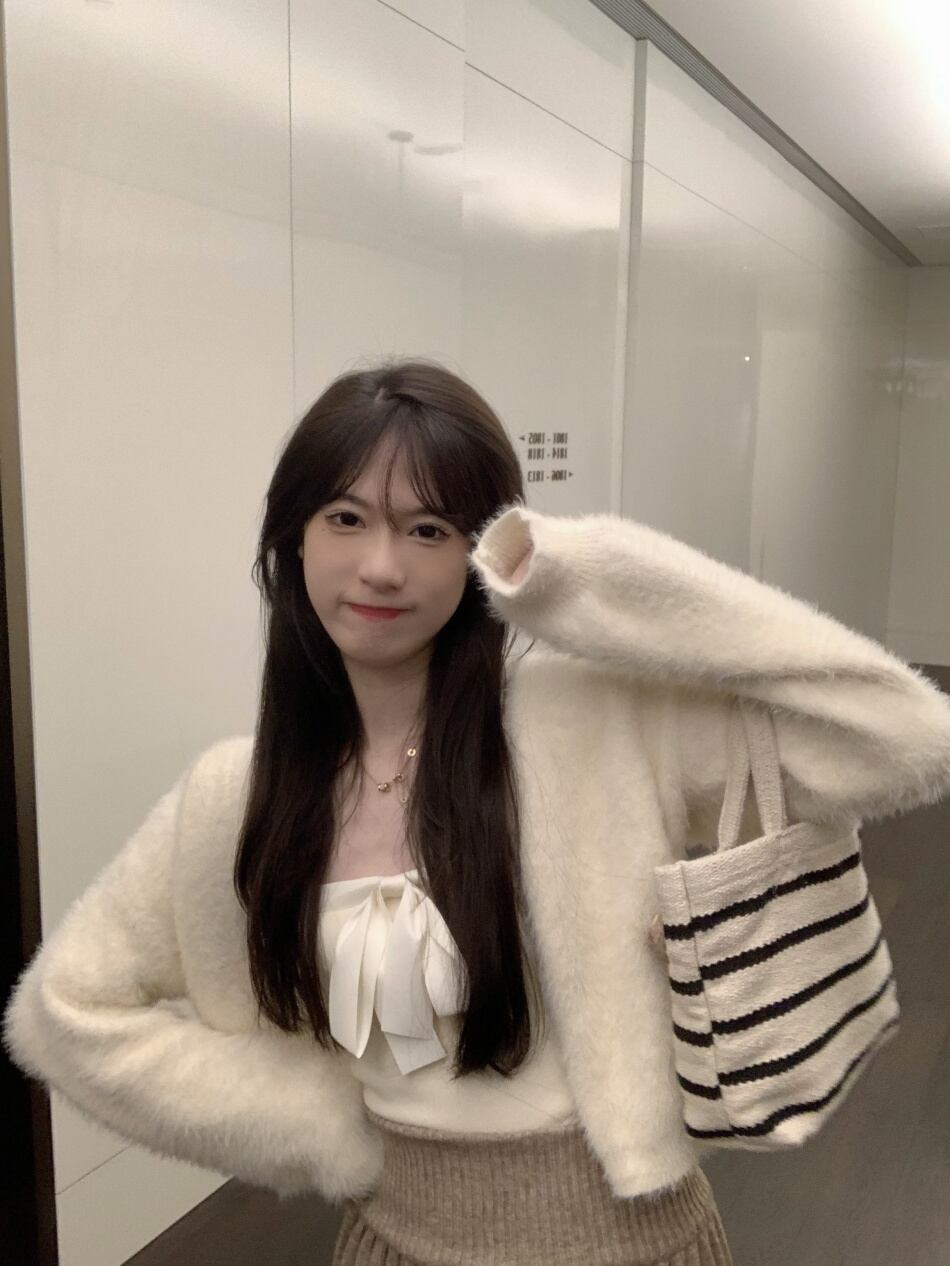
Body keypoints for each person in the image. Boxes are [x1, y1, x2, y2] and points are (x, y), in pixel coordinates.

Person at [7, 356, 950, 1266]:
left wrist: (578, 578)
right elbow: (65, 1011)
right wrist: (309, 1123)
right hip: (390, 1245)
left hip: (634, 1246)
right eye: (346, 519)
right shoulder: (242, 793)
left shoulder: (590, 721)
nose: (381, 566)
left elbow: (903, 737)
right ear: (293, 539)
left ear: (478, 552)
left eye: (429, 530)